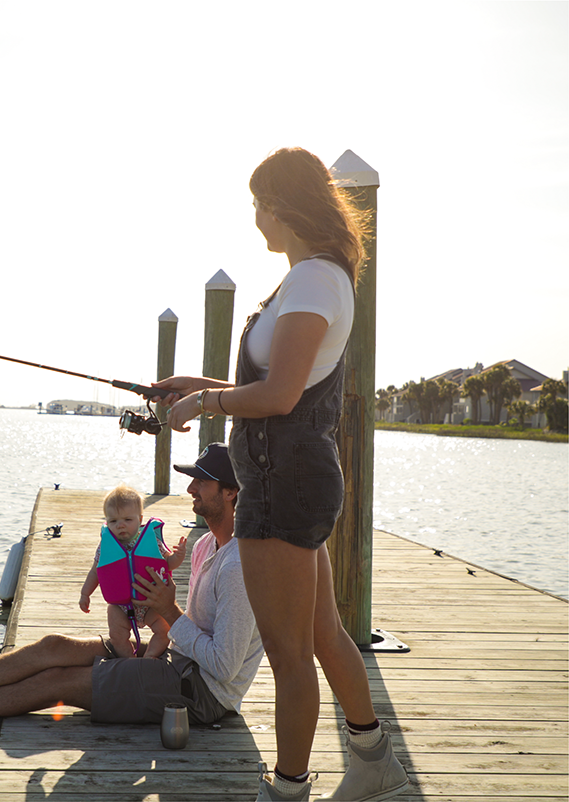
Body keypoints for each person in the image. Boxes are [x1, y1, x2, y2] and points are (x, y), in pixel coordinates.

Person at [153, 148, 408, 801]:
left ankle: (286, 790)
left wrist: (203, 404)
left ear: (282, 205)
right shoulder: (308, 280)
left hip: (281, 484)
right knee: (320, 633)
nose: (255, 217)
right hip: (287, 476)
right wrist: (198, 384)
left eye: (258, 203)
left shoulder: (315, 282)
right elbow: (275, 386)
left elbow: (279, 398)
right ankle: (373, 762)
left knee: (290, 655)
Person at [0, 443, 263, 745]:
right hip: (178, 658)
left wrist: (170, 613)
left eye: (202, 481)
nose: (191, 487)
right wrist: (147, 609)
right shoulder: (203, 547)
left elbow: (225, 667)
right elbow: (190, 625)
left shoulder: (241, 566)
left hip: (202, 694)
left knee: (58, 681)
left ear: (231, 492)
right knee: (53, 646)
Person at [78, 485, 187, 659]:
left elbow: (168, 564)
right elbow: (95, 572)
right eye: (113, 521)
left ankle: (149, 656)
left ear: (140, 519)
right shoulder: (106, 547)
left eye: (127, 520)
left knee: (164, 630)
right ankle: (129, 660)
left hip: (150, 602)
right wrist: (85, 594)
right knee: (117, 636)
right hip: (120, 605)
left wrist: (178, 556)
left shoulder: (152, 542)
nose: (120, 525)